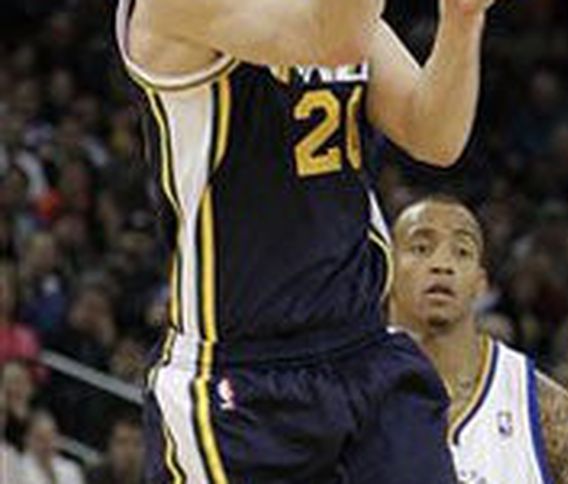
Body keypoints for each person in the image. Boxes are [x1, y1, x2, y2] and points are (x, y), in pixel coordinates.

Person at [115, 0, 497, 481]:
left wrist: (463, 19)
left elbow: (434, 135)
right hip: (241, 378)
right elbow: (335, 43)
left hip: (364, 349)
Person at [389, 196, 568, 483]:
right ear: (386, 271)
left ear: (480, 284)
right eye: (421, 248)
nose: (442, 265)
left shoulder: (542, 407)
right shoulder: (350, 390)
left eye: (462, 252)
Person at [19, 410, 85, 484]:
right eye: (41, 438)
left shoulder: (71, 469)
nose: (48, 444)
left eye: (51, 437)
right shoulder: (17, 471)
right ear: (27, 440)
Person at [86, 413, 145, 484]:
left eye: (137, 444)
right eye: (122, 442)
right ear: (108, 446)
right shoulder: (90, 479)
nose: (130, 451)